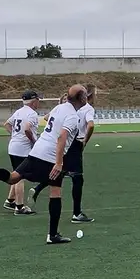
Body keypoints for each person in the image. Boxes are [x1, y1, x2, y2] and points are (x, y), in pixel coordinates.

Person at [0, 85, 89, 244]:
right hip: (50, 157)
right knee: (55, 192)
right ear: (81, 98)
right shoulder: (72, 116)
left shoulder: (59, 107)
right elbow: (62, 137)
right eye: (85, 94)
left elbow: (49, 121)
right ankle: (52, 235)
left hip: (37, 150)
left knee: (13, 178)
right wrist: (58, 163)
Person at [2, 90, 42, 214]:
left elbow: (7, 124)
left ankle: (10, 200)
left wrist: (15, 135)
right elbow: (27, 129)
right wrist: (34, 141)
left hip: (13, 146)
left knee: (16, 173)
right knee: (20, 177)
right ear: (34, 101)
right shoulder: (32, 114)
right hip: (23, 149)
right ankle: (19, 207)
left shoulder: (18, 111)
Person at [63, 84, 96, 223]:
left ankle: (38, 188)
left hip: (65, 142)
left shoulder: (65, 107)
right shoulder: (88, 108)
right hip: (75, 142)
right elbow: (91, 125)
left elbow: (47, 118)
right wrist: (85, 141)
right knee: (77, 178)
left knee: (61, 171)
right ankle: (76, 213)